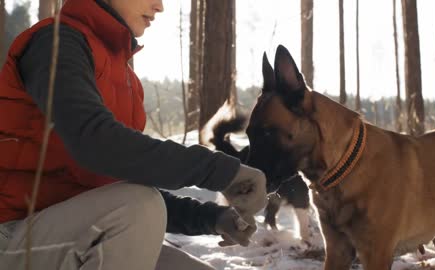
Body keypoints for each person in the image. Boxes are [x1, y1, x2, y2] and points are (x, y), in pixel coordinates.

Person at [0, 0, 267, 269]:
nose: (159, 6)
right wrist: (219, 171)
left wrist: (211, 217)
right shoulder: (54, 43)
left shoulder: (124, 77)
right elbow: (95, 143)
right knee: (141, 206)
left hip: (73, 235)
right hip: (12, 235)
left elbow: (117, 189)